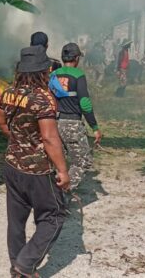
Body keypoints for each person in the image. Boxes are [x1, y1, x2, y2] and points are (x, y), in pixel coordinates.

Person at [0, 45, 70, 278]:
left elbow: (0, 121)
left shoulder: (8, 93)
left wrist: (18, 141)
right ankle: (25, 264)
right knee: (54, 216)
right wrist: (63, 170)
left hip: (12, 164)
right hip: (38, 170)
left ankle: (17, 267)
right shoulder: (43, 98)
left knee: (16, 220)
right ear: (44, 70)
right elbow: (49, 138)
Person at [53, 43, 101, 192]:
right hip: (72, 123)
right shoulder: (78, 75)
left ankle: (52, 192)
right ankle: (62, 193)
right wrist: (94, 127)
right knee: (83, 161)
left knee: (57, 161)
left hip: (53, 123)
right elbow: (85, 104)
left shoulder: (52, 75)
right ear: (77, 58)